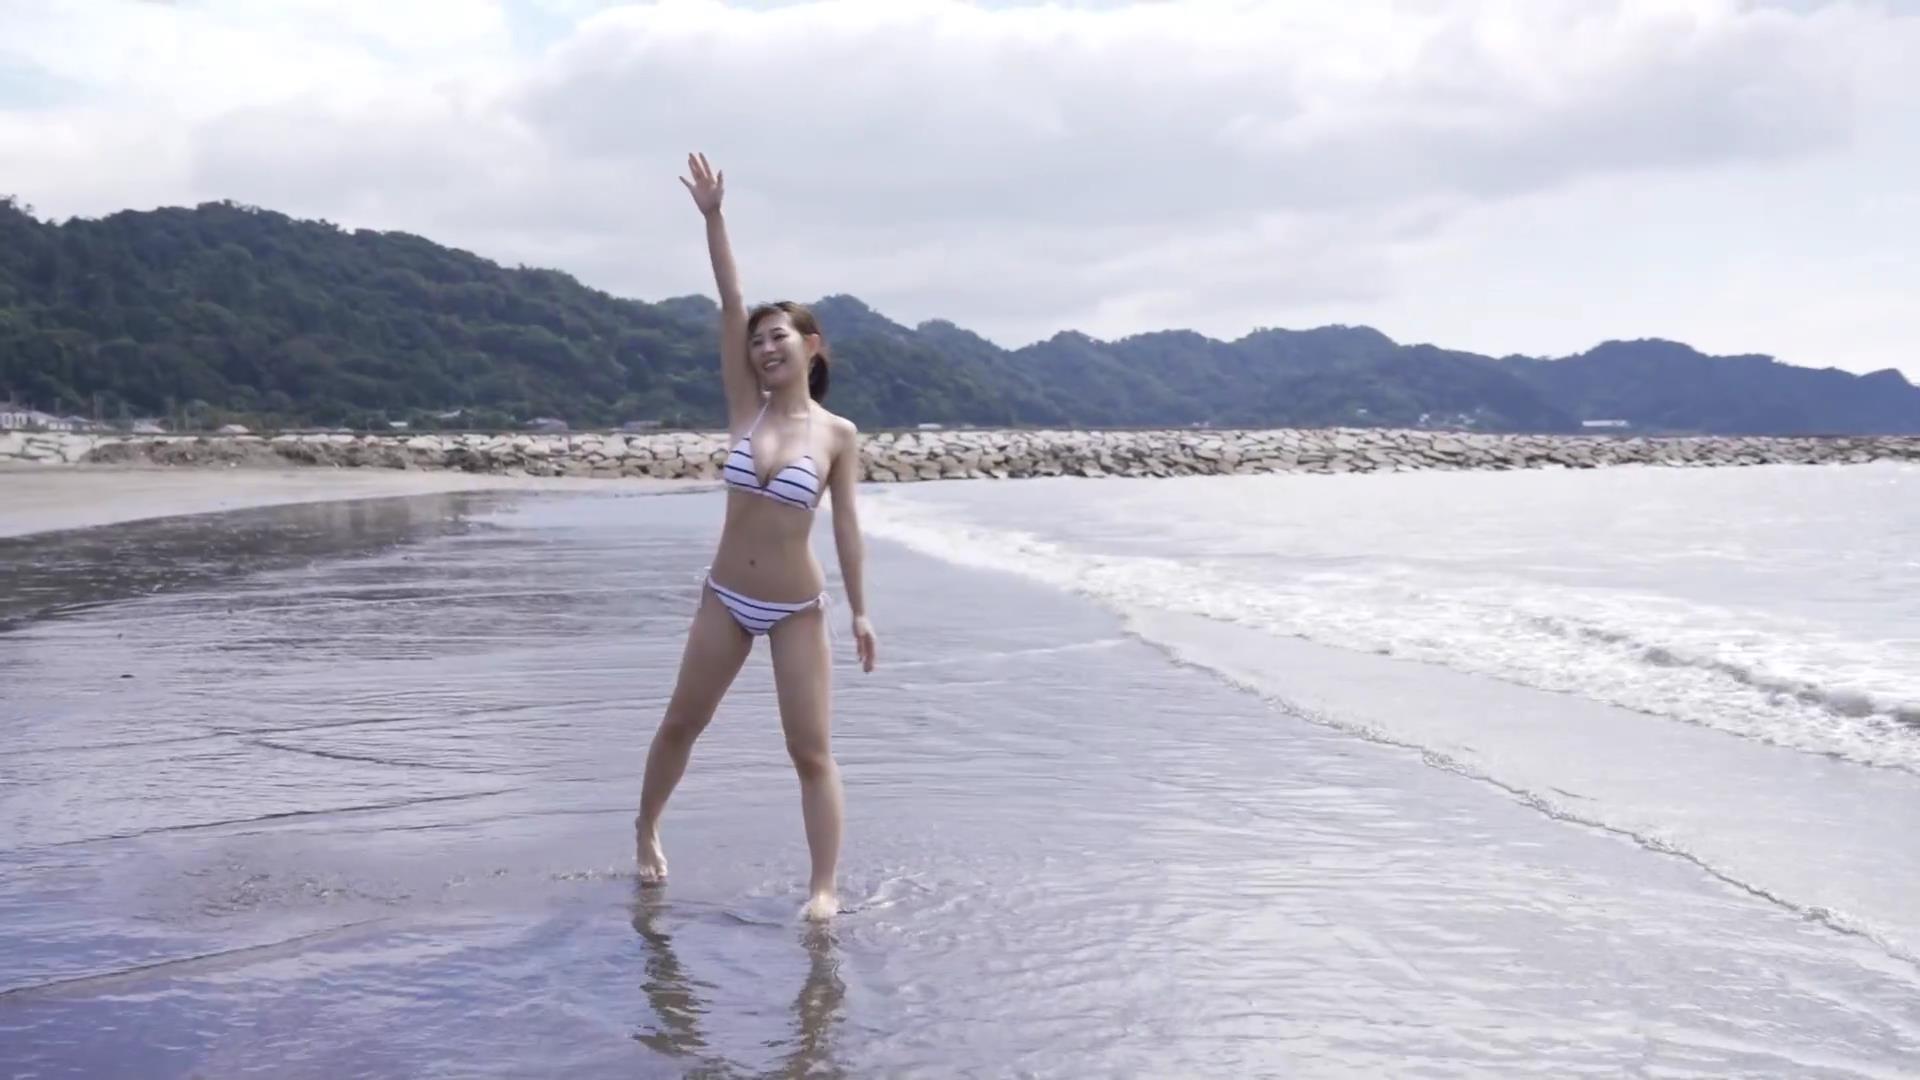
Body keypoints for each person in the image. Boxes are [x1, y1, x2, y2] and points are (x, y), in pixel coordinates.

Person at [634, 152, 877, 921]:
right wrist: (714, 218)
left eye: (780, 338)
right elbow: (731, 298)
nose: (765, 348)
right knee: (683, 721)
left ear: (813, 345)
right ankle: (646, 829)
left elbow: (847, 527)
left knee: (810, 751)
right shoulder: (746, 406)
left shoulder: (838, 434)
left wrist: (862, 611)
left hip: (798, 608)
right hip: (726, 598)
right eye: (758, 341)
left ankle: (824, 887)